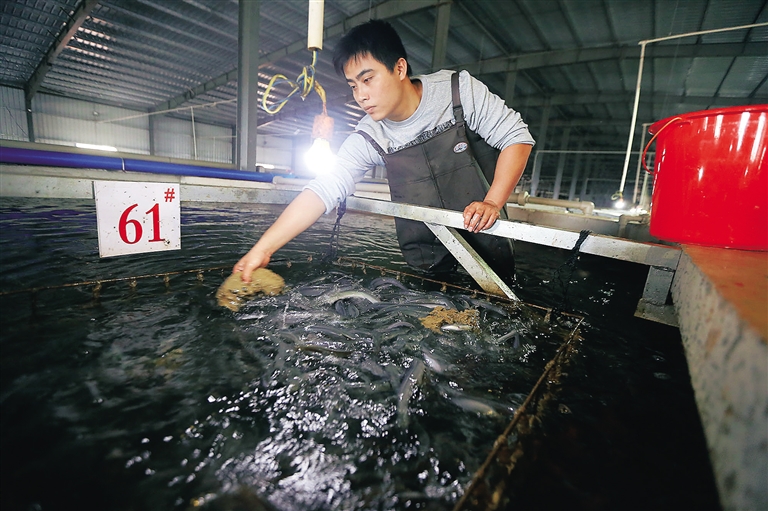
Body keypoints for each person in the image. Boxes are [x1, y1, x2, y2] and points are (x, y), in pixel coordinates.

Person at [235, 19, 534, 283]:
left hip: (488, 249)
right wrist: (262, 249)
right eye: (353, 85)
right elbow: (325, 188)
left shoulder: (458, 92)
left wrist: (493, 201)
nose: (360, 95)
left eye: (368, 79)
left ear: (399, 68)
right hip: (428, 264)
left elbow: (517, 137)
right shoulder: (369, 134)